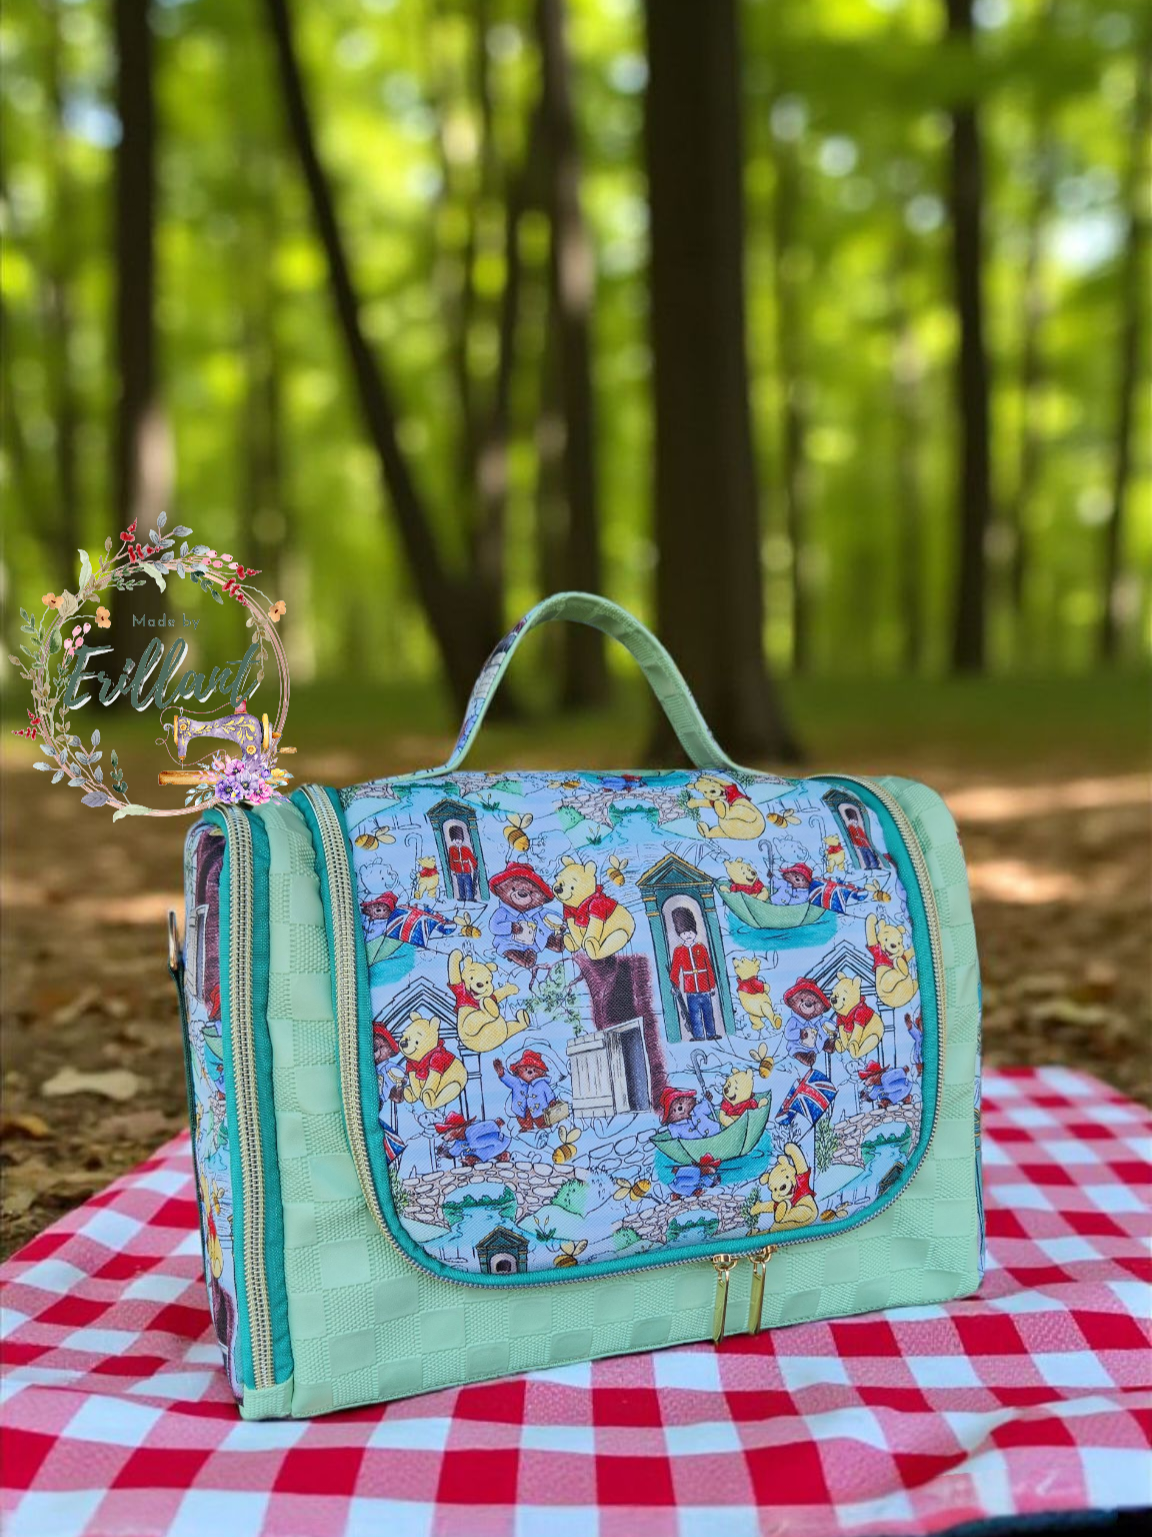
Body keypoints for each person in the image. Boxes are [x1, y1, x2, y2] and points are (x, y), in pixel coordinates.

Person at [668, 907, 719, 1041]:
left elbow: (708, 967)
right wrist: (675, 985)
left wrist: (711, 985)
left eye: (690, 931)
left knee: (708, 1012)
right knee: (694, 1014)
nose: (688, 935)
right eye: (684, 933)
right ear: (680, 934)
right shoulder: (679, 951)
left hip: (704, 987)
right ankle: (698, 1035)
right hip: (690, 989)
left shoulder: (701, 947)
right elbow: (675, 969)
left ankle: (711, 1033)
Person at [447, 825, 478, 902]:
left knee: (468, 884)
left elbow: (471, 858)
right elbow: (451, 860)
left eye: (459, 839)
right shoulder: (451, 849)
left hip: (467, 870)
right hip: (458, 871)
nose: (457, 841)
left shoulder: (466, 849)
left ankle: (470, 897)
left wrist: (474, 865)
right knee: (460, 885)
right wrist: (453, 869)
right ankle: (462, 896)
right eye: (455, 839)